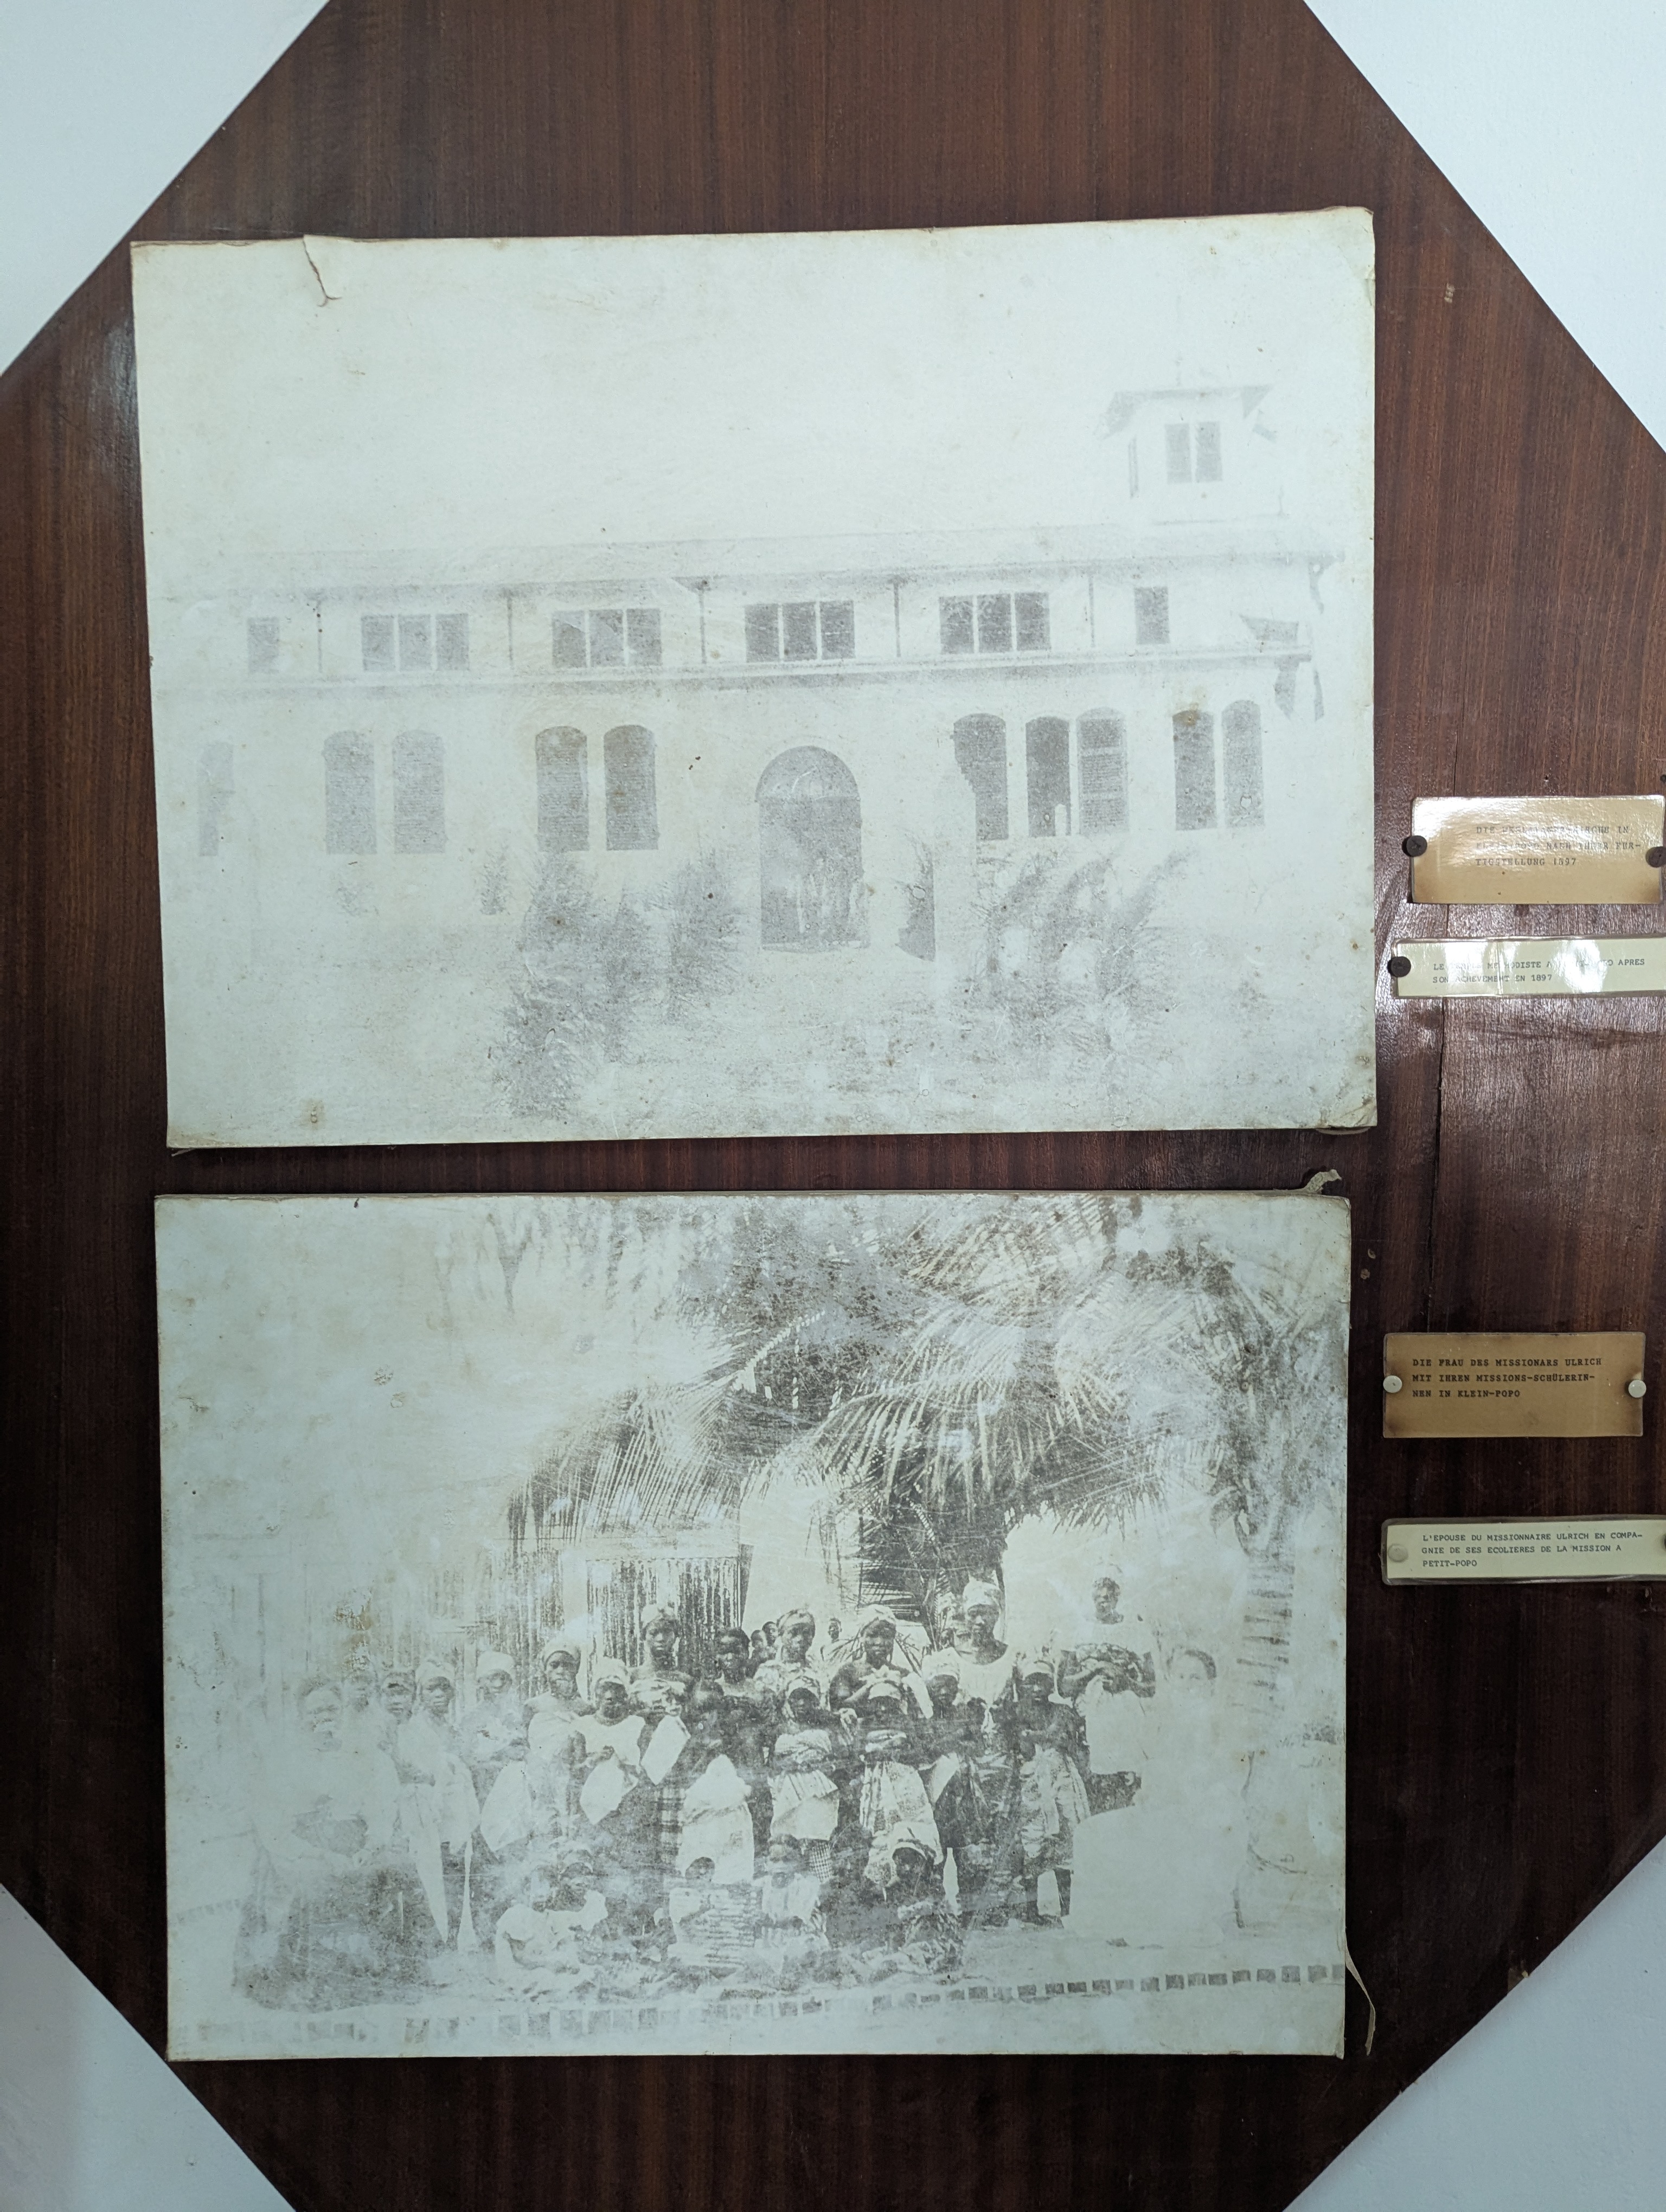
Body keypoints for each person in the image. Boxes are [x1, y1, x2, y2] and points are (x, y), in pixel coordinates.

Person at [234, 1679, 400, 2009]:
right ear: (301, 1717)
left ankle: (387, 1969)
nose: (325, 1718)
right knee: (310, 1884)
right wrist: (317, 1854)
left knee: (397, 1871)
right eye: (315, 1712)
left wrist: (370, 1847)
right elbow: (274, 1828)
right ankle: (306, 1976)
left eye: (331, 1709)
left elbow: (382, 1809)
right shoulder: (284, 1760)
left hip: (354, 1844)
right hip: (301, 1849)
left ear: (343, 1712)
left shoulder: (364, 1755)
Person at [395, 1662, 480, 1962]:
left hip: (454, 1815)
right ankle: (429, 1946)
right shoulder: (410, 1731)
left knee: (455, 1875)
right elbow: (413, 1772)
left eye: (445, 1688)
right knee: (428, 1876)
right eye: (432, 1688)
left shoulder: (455, 1732)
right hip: (425, 1814)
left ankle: (452, 1942)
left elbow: (465, 1768)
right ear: (421, 1693)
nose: (439, 1694)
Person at [1058, 1576, 1156, 1814]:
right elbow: (1064, 1687)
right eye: (1098, 1598)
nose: (1103, 1602)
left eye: (1108, 1597)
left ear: (1117, 1598)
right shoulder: (1077, 1630)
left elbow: (1151, 1685)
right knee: (1095, 1799)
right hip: (1088, 1728)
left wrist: (1126, 1682)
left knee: (1128, 1799)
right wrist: (1095, 1669)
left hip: (1125, 1728)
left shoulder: (1133, 1630)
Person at [1013, 1657, 1091, 1923]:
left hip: (1061, 1779)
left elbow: (1063, 1738)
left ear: (1051, 1685)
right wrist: (1033, 1739)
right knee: (1032, 1841)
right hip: (1032, 1782)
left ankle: (1067, 1908)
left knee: (1065, 1839)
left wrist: (1034, 1736)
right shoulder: (1019, 1712)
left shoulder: (1062, 1710)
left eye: (1043, 1682)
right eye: (1031, 1682)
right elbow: (1022, 1745)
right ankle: (1031, 1911)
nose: (1037, 1689)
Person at [851, 1677, 940, 1893]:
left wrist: (893, 1753)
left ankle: (914, 1875)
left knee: (911, 1824)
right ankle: (881, 1880)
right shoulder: (865, 1725)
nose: (882, 1709)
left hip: (903, 1779)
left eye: (888, 1703)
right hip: (876, 1780)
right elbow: (856, 1754)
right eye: (878, 1703)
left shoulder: (906, 1722)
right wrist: (871, 1756)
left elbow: (920, 1753)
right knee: (880, 1829)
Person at [767, 1674, 843, 1879]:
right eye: (796, 1698)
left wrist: (826, 1766)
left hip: (818, 1787)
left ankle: (820, 1884)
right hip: (788, 1786)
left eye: (806, 1698)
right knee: (788, 1836)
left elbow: (841, 1760)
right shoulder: (780, 1729)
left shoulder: (827, 1727)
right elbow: (771, 1763)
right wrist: (784, 1765)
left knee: (817, 1837)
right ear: (790, 1702)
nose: (801, 1703)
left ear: (815, 1701)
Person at [827, 1607, 926, 1719]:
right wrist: (871, 1685)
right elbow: (838, 1707)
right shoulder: (847, 1672)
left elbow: (918, 1715)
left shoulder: (903, 1675)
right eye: (873, 1635)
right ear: (862, 1637)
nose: (879, 1642)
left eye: (886, 1636)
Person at [947, 1580, 1016, 1708]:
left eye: (986, 1614)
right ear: (965, 1617)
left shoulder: (1011, 1657)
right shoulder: (951, 1659)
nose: (980, 1621)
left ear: (996, 1616)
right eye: (973, 1614)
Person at [631, 1606, 691, 1718]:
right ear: (644, 1636)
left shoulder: (686, 1680)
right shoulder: (632, 1677)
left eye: (667, 1632)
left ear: (676, 1636)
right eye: (654, 1632)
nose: (661, 1638)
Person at [753, 1606, 821, 1701]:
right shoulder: (767, 1671)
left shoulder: (816, 1671)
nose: (800, 1639)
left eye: (806, 1633)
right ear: (782, 1635)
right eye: (794, 1632)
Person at [528, 1636, 592, 1723]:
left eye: (568, 1665)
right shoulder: (533, 1706)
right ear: (545, 1669)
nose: (561, 1671)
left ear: (576, 1669)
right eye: (554, 1665)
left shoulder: (585, 1709)